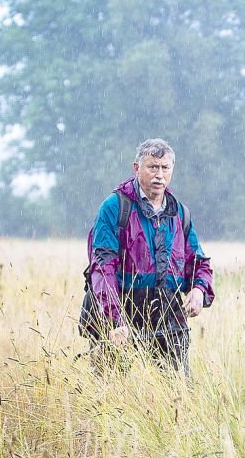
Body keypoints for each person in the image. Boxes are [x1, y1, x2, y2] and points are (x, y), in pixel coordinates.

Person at [88, 138, 213, 376]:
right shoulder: (114, 207)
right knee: (113, 398)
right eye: (152, 167)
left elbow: (198, 262)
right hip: (122, 313)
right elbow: (102, 269)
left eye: (165, 168)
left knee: (175, 395)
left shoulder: (180, 212)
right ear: (136, 168)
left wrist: (198, 289)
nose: (159, 175)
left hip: (169, 316)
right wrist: (115, 322)